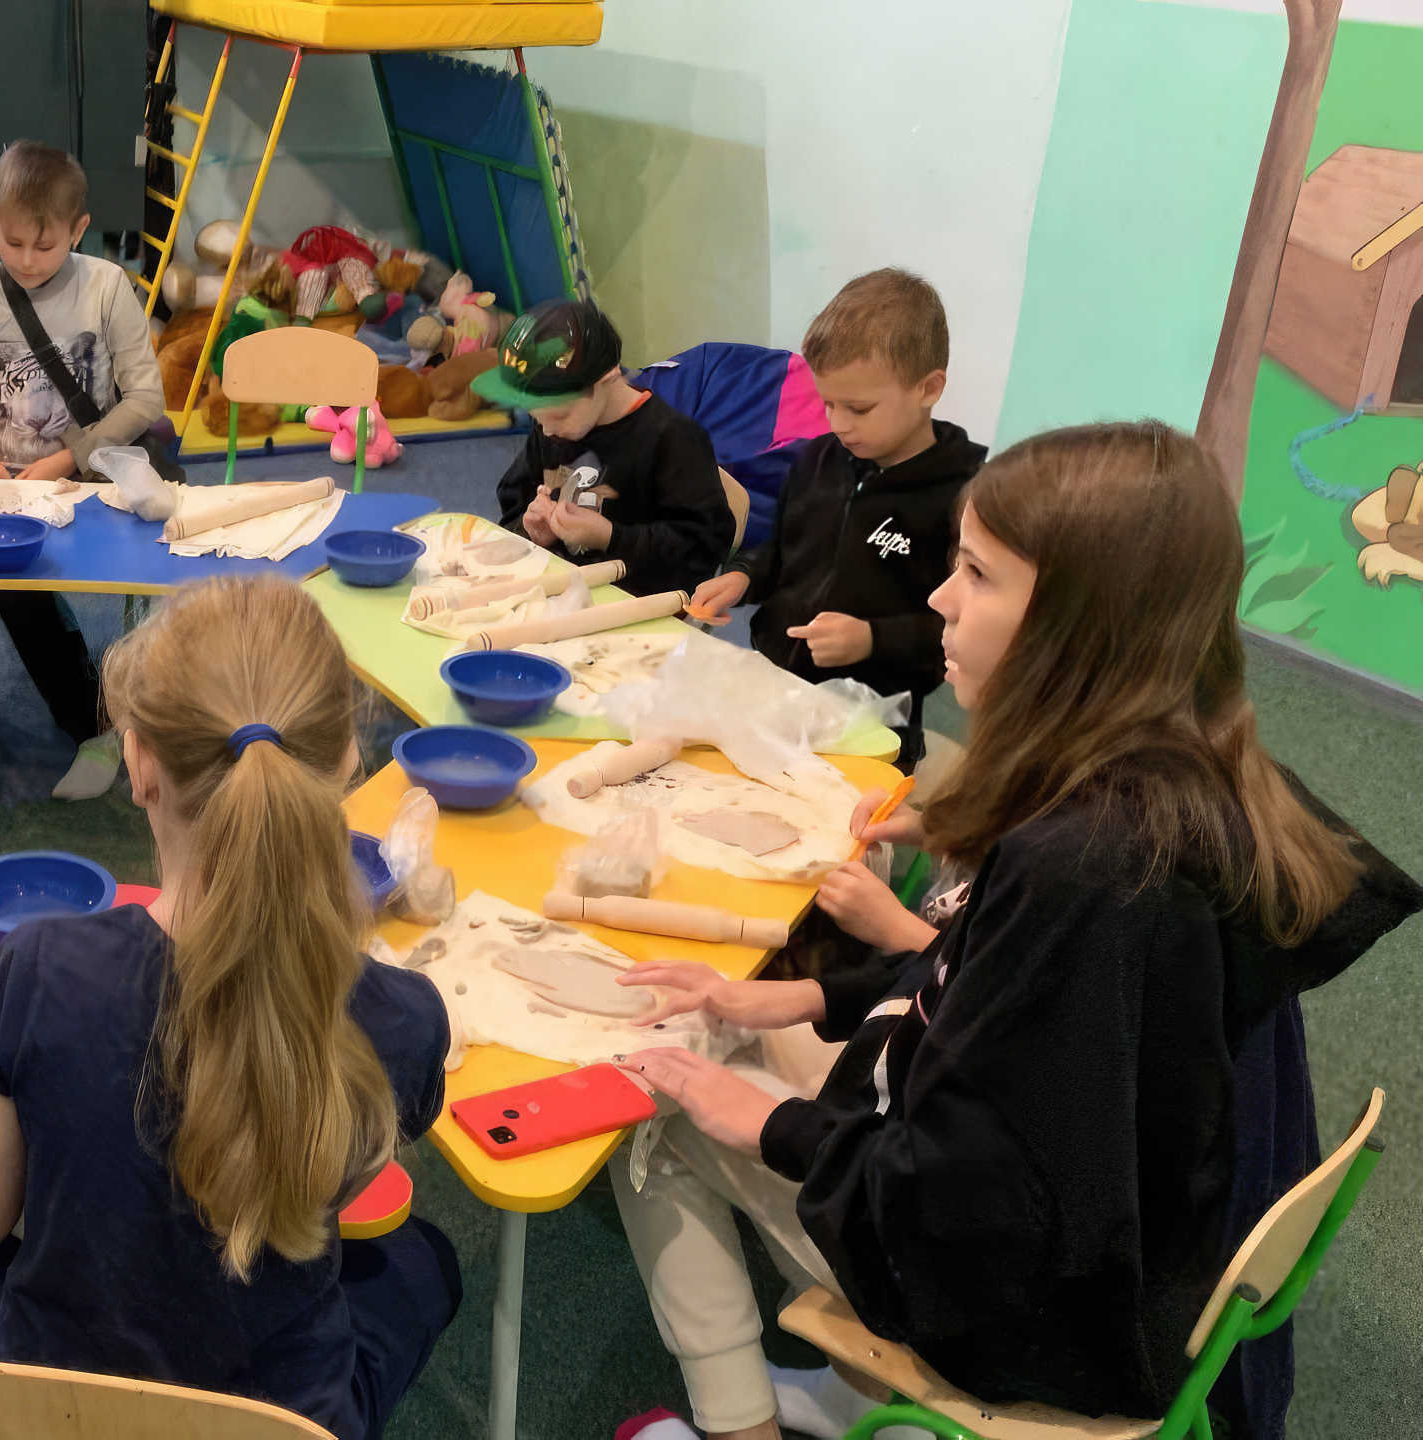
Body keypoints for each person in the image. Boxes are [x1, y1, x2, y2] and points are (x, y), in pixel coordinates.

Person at [603, 422, 1419, 1440]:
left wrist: (765, 1122)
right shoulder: (1194, 764)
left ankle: (738, 1426)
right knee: (744, 1032)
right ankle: (843, 1393)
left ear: (1081, 624)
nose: (941, 597)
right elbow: (990, 990)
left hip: (1048, 1314)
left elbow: (965, 1199)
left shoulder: (1081, 868)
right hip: (1154, 1240)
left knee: (658, 1101)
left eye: (978, 575)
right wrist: (809, 994)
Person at [0, 575, 461, 1440]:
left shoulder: (42, 967)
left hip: (52, 1414)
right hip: (280, 1417)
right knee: (421, 1260)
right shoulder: (404, 1017)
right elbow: (342, 1175)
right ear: (346, 765)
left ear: (138, 761)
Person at [0, 139, 164, 801]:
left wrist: (69, 458)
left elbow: (146, 399)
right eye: (13, 243)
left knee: (20, 590)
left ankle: (94, 727)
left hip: (84, 476)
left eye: (45, 247)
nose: (27, 261)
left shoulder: (106, 289)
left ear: (78, 228)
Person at [689, 270, 986, 769]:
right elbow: (780, 548)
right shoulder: (817, 459)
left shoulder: (966, 495)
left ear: (928, 388)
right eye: (828, 403)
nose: (838, 424)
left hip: (874, 722)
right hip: (777, 686)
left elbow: (964, 631)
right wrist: (744, 574)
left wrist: (872, 638)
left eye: (859, 407)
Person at [484, 299, 734, 597]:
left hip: (637, 607)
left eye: (558, 414)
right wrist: (532, 531)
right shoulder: (552, 426)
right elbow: (513, 505)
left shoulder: (672, 437)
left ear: (608, 377)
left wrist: (610, 537)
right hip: (560, 590)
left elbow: (703, 549)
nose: (547, 430)